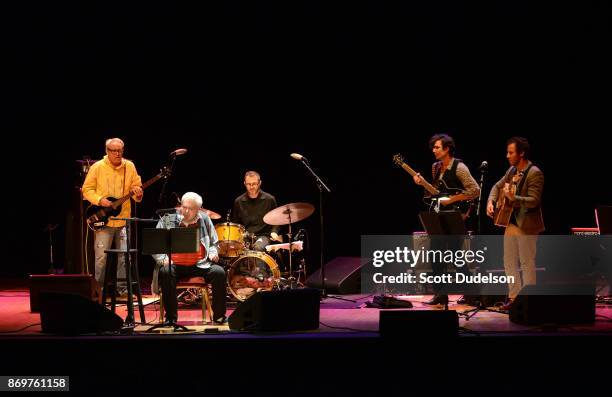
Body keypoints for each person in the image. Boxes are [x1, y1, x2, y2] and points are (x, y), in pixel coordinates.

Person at [413, 134, 480, 305]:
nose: (433, 150)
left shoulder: (459, 167)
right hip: (439, 215)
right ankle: (440, 294)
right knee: (436, 255)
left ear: (447, 148)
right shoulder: (435, 167)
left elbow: (475, 190)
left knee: (456, 256)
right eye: (433, 148)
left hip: (456, 215)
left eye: (437, 147)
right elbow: (436, 193)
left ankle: (472, 294)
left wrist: (452, 200)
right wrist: (422, 184)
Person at [487, 137, 544, 310]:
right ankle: (514, 299)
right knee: (509, 261)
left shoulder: (534, 172)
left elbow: (534, 200)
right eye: (507, 152)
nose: (507, 155)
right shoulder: (512, 170)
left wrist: (514, 198)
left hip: (527, 224)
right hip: (511, 223)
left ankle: (529, 301)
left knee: (526, 262)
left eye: (511, 152)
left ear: (522, 153)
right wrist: (491, 201)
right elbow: (496, 187)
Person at [152, 192, 227, 324]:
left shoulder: (204, 219)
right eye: (184, 207)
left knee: (219, 273)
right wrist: (162, 258)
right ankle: (171, 318)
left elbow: (214, 242)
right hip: (174, 264)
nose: (186, 211)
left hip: (200, 264)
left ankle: (219, 316)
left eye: (191, 209)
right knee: (165, 272)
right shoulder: (168, 219)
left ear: (199, 209)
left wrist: (213, 252)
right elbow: (156, 244)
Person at [82, 138, 143, 295]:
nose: (118, 153)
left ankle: (122, 291)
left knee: (124, 257)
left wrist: (138, 193)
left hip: (123, 219)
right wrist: (100, 200)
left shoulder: (129, 166)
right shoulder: (97, 167)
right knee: (101, 258)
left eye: (120, 151)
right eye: (114, 151)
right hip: (104, 220)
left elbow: (136, 187)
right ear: (107, 151)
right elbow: (87, 189)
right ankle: (98, 291)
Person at [231, 171, 282, 251]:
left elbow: (277, 221)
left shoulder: (269, 199)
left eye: (254, 184)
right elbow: (236, 224)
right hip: (246, 236)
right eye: (248, 184)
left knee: (257, 247)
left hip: (264, 236)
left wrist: (274, 231)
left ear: (259, 183)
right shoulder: (238, 201)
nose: (251, 187)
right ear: (244, 183)